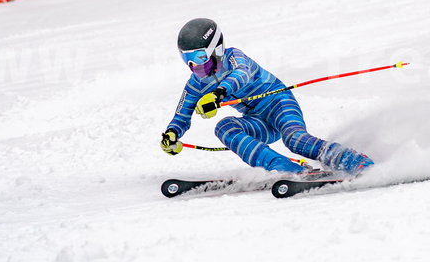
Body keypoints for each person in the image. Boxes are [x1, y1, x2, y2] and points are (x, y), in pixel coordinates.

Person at [160, 18, 374, 175]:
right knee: (224, 127)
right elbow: (182, 113)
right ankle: (285, 169)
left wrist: (218, 93)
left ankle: (357, 162)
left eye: (198, 56)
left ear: (216, 48)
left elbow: (241, 74)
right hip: (258, 121)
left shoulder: (234, 57)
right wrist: (172, 134)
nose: (193, 64)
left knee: (295, 140)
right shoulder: (196, 83)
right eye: (186, 58)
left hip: (279, 103)